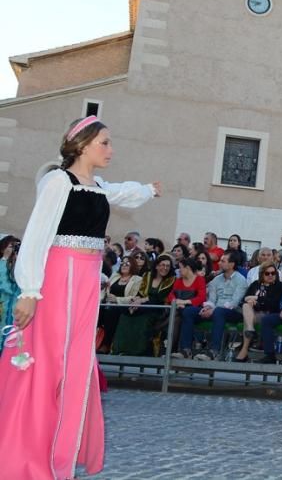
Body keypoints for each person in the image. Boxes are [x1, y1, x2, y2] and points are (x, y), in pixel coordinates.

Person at [0, 116, 159, 479]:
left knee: (76, 363)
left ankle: (61, 453)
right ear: (83, 144)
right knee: (47, 362)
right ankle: (27, 453)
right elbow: (37, 234)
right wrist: (28, 291)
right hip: (58, 279)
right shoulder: (58, 182)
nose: (111, 149)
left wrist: (148, 189)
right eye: (105, 142)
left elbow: (122, 192)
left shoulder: (98, 184)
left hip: (86, 281)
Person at [112, 254, 175, 356]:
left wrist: (141, 301)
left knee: (143, 318)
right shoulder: (148, 275)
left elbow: (160, 297)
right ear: (156, 266)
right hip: (143, 305)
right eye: (162, 265)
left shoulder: (171, 279)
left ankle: (138, 351)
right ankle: (121, 348)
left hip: (158, 308)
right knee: (125, 313)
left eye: (168, 266)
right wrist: (135, 301)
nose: (165, 268)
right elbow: (140, 293)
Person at [233, 262, 282, 362]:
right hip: (253, 314)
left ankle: (244, 351)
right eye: (267, 273)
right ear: (261, 274)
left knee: (247, 319)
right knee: (246, 306)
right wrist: (253, 300)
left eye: (273, 273)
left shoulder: (279, 286)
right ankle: (250, 330)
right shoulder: (255, 284)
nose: (270, 276)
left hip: (268, 314)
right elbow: (244, 299)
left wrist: (255, 299)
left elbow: (273, 303)